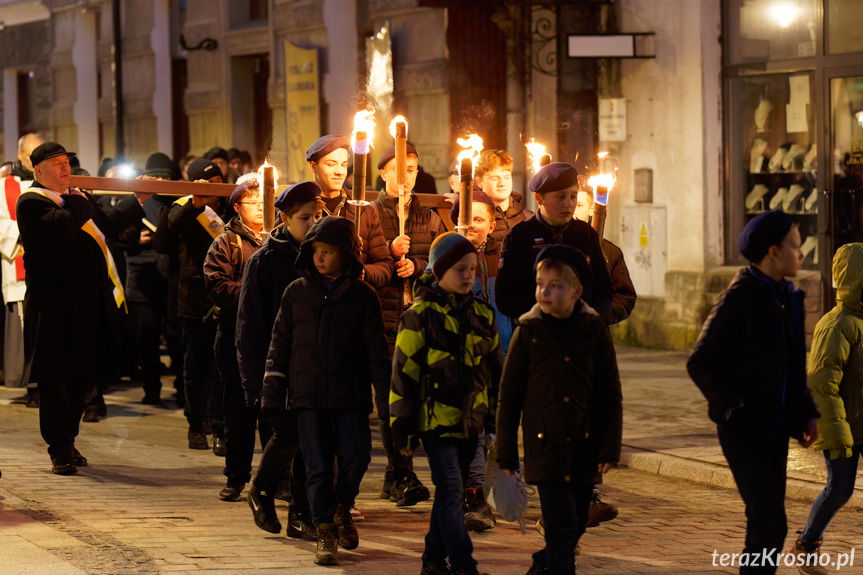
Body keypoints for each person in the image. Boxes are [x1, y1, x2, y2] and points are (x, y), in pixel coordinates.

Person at [688, 209, 819, 575]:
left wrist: (806, 410)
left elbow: (794, 362)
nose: (802, 254)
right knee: (768, 521)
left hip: (773, 425)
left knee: (769, 522)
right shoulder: (741, 296)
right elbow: (700, 361)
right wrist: (732, 408)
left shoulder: (787, 296)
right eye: (796, 246)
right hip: (744, 429)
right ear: (774, 251)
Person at [264, 216, 389, 566]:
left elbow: (377, 350)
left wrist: (385, 394)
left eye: (328, 252)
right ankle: (325, 528)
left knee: (356, 457)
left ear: (345, 255)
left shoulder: (364, 297)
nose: (320, 259)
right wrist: (272, 390)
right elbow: (280, 343)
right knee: (317, 467)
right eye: (317, 251)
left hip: (350, 395)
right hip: (308, 396)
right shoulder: (296, 293)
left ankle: (342, 507)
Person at [497, 245, 622, 575]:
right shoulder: (529, 331)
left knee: (575, 524)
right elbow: (509, 397)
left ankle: (541, 566)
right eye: (540, 284)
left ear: (577, 291)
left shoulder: (593, 330)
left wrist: (610, 446)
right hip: (545, 445)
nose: (545, 292)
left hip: (585, 443)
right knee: (560, 528)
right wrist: (507, 454)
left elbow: (610, 393)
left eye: (555, 285)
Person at [16, 142, 139, 474]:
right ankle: (58, 447)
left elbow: (109, 224)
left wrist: (136, 199)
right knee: (54, 379)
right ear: (37, 170)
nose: (64, 168)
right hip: (52, 307)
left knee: (81, 376)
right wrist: (78, 198)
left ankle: (68, 439)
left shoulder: (75, 199)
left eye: (66, 162)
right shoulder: (31, 201)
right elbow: (62, 225)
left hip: (85, 305)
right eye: (56, 164)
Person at [390, 232, 502, 575]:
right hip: (435, 421)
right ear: (439, 271)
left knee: (447, 496)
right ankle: (464, 563)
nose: (467, 275)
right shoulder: (419, 316)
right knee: (452, 489)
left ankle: (432, 560)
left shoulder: (482, 314)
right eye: (458, 269)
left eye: (471, 269)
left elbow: (495, 373)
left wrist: (495, 421)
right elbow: (403, 377)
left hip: (471, 423)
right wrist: (403, 432)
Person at [239, 181, 322, 540]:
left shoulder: (322, 255)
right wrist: (254, 381)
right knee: (289, 435)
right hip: (279, 365)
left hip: (315, 364)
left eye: (317, 216)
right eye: (305, 217)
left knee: (312, 442)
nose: (313, 223)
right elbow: (249, 324)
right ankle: (261, 489)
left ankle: (301, 513)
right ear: (285, 219)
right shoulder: (266, 260)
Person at [370, 143, 442, 507]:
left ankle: (396, 474)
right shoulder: (368, 214)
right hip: (381, 320)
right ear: (382, 172)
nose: (406, 177)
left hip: (418, 322)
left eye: (412, 169)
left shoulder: (428, 216)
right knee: (389, 401)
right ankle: (402, 473)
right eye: (398, 169)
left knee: (414, 399)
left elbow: (443, 260)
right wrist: (388, 253)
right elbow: (357, 260)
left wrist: (416, 265)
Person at [788, 243, 863, 575]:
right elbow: (821, 381)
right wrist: (836, 433)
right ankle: (806, 545)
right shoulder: (837, 324)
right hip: (842, 428)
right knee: (840, 489)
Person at [204, 176, 267, 500]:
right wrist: (254, 292)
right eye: (253, 203)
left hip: (271, 335)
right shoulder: (227, 242)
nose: (259, 208)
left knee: (272, 411)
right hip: (235, 335)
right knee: (238, 409)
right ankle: (236, 474)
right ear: (238, 208)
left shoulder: (278, 240)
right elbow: (216, 286)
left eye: (263, 201)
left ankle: (275, 478)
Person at [166, 158, 233, 452]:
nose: (214, 188)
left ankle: (219, 426)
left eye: (217, 180)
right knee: (195, 366)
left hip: (226, 297)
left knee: (223, 368)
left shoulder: (234, 207)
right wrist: (196, 202)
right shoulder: (186, 208)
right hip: (194, 298)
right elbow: (166, 234)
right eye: (207, 183)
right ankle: (196, 423)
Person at [496, 162, 613, 323]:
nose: (568, 203)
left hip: (581, 331)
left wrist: (592, 317)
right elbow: (506, 296)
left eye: (573, 196)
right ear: (539, 198)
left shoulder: (585, 234)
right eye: (560, 197)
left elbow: (603, 288)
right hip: (538, 332)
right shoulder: (520, 235)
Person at [450, 190, 505, 532]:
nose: (473, 228)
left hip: (498, 353)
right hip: (461, 358)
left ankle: (483, 494)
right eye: (466, 222)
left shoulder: (505, 259)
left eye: (480, 221)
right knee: (471, 427)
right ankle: (469, 496)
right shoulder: (449, 260)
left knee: (491, 430)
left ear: (492, 224)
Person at [305, 134, 393, 289]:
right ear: (313, 166)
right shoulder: (301, 209)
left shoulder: (365, 210)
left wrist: (364, 272)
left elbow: (384, 266)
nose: (339, 172)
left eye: (343, 164)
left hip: (353, 303)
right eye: (331, 164)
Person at [0, 133, 42, 398]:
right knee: (24, 326)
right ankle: (28, 383)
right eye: (31, 155)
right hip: (18, 262)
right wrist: (26, 230)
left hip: (49, 269)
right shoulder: (4, 187)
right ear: (20, 155)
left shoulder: (50, 183)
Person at [574, 184, 636, 325]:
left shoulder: (610, 251)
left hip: (594, 338)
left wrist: (600, 313)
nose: (572, 210)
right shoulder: (551, 243)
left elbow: (625, 297)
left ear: (592, 209)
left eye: (579, 205)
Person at [475, 149, 533, 244]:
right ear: (479, 182)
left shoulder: (528, 217)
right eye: (494, 178)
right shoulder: (473, 221)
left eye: (506, 177)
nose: (502, 183)